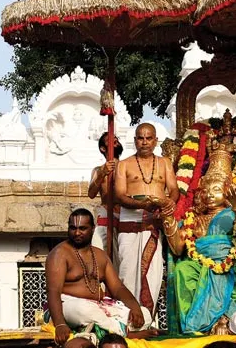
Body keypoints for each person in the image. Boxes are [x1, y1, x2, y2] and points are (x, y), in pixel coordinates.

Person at [163, 127, 236, 334]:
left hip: (232, 261)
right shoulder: (194, 217)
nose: (210, 194)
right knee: (182, 270)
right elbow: (177, 249)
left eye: (216, 189)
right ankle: (197, 328)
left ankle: (226, 320)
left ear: (228, 191)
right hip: (200, 264)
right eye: (206, 190)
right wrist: (167, 218)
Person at [45, 209, 157, 345]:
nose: (77, 233)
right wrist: (60, 325)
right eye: (73, 228)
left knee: (144, 314)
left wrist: (134, 307)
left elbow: (117, 288)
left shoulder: (100, 255)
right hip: (68, 306)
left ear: (93, 229)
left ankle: (107, 329)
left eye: (82, 228)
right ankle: (126, 333)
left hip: (99, 307)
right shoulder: (59, 254)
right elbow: (53, 292)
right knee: (85, 310)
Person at [114, 123, 179, 314]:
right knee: (127, 272)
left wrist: (169, 203)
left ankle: (146, 319)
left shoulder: (164, 163)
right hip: (130, 222)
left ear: (155, 140)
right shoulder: (124, 165)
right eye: (140, 138)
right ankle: (128, 319)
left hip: (154, 221)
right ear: (135, 140)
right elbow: (120, 196)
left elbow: (174, 190)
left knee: (153, 273)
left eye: (148, 138)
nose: (144, 142)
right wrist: (142, 205)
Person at [88, 133, 124, 258]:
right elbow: (91, 193)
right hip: (105, 217)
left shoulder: (128, 166)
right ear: (103, 148)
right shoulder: (98, 170)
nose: (115, 139)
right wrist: (103, 173)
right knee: (98, 258)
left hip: (124, 217)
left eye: (116, 138)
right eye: (110, 139)